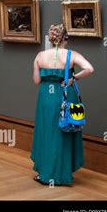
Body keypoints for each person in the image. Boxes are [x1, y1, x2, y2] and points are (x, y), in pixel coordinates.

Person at [30, 24, 94, 185]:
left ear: (51, 39)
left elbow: (36, 81)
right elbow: (89, 69)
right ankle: (63, 175)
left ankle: (46, 174)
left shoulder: (40, 56)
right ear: (65, 38)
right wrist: (74, 78)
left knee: (47, 133)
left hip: (46, 97)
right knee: (65, 131)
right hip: (66, 95)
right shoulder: (72, 55)